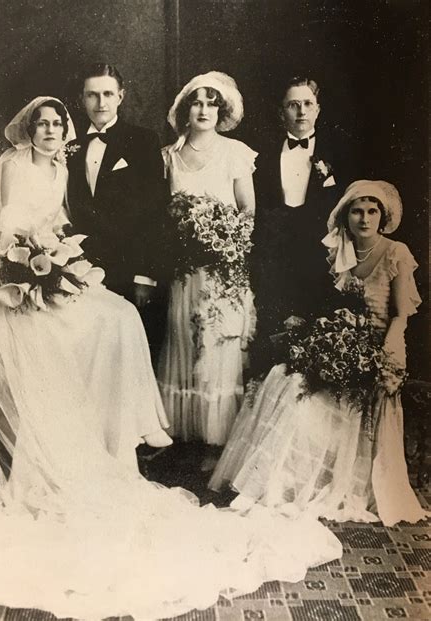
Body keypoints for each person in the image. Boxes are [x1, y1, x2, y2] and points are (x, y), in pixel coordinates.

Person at [0, 96, 343, 620]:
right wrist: (31, 275)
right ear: (28, 129)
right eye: (41, 124)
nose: (49, 130)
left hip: (50, 268)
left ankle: (128, 429)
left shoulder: (61, 164)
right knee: (78, 325)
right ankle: (81, 436)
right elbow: (1, 233)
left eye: (55, 123)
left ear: (63, 130)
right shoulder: (11, 164)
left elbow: (63, 223)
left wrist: (64, 264)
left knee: (118, 316)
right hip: (18, 278)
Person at [210, 180, 428, 527]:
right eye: (357, 211)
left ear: (382, 216)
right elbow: (333, 306)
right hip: (342, 341)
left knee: (306, 402)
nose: (365, 218)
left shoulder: (395, 252)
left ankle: (295, 482)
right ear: (346, 216)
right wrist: (322, 336)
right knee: (284, 379)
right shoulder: (341, 251)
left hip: (376, 348)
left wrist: (386, 354)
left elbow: (401, 316)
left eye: (372, 211)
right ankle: (272, 483)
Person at [157, 72, 257, 464]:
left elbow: (248, 210)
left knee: (218, 345)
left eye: (211, 103)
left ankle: (217, 440)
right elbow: (162, 215)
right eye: (196, 102)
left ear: (222, 110)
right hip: (184, 270)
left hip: (223, 268)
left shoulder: (236, 152)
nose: (204, 110)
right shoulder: (169, 156)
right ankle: (185, 437)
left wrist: (227, 240)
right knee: (183, 340)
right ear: (185, 111)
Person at [251, 76, 360, 374]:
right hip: (276, 257)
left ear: (318, 110)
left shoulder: (337, 153)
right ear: (281, 112)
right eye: (293, 105)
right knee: (275, 341)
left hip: (319, 257)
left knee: (316, 338)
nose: (301, 111)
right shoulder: (263, 155)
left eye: (307, 104)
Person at [66, 62, 169, 364]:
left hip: (130, 267)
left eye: (107, 94)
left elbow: (155, 212)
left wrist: (145, 275)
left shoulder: (143, 141)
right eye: (92, 95)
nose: (100, 103)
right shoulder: (69, 147)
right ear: (82, 99)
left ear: (121, 97)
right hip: (83, 271)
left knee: (129, 360)